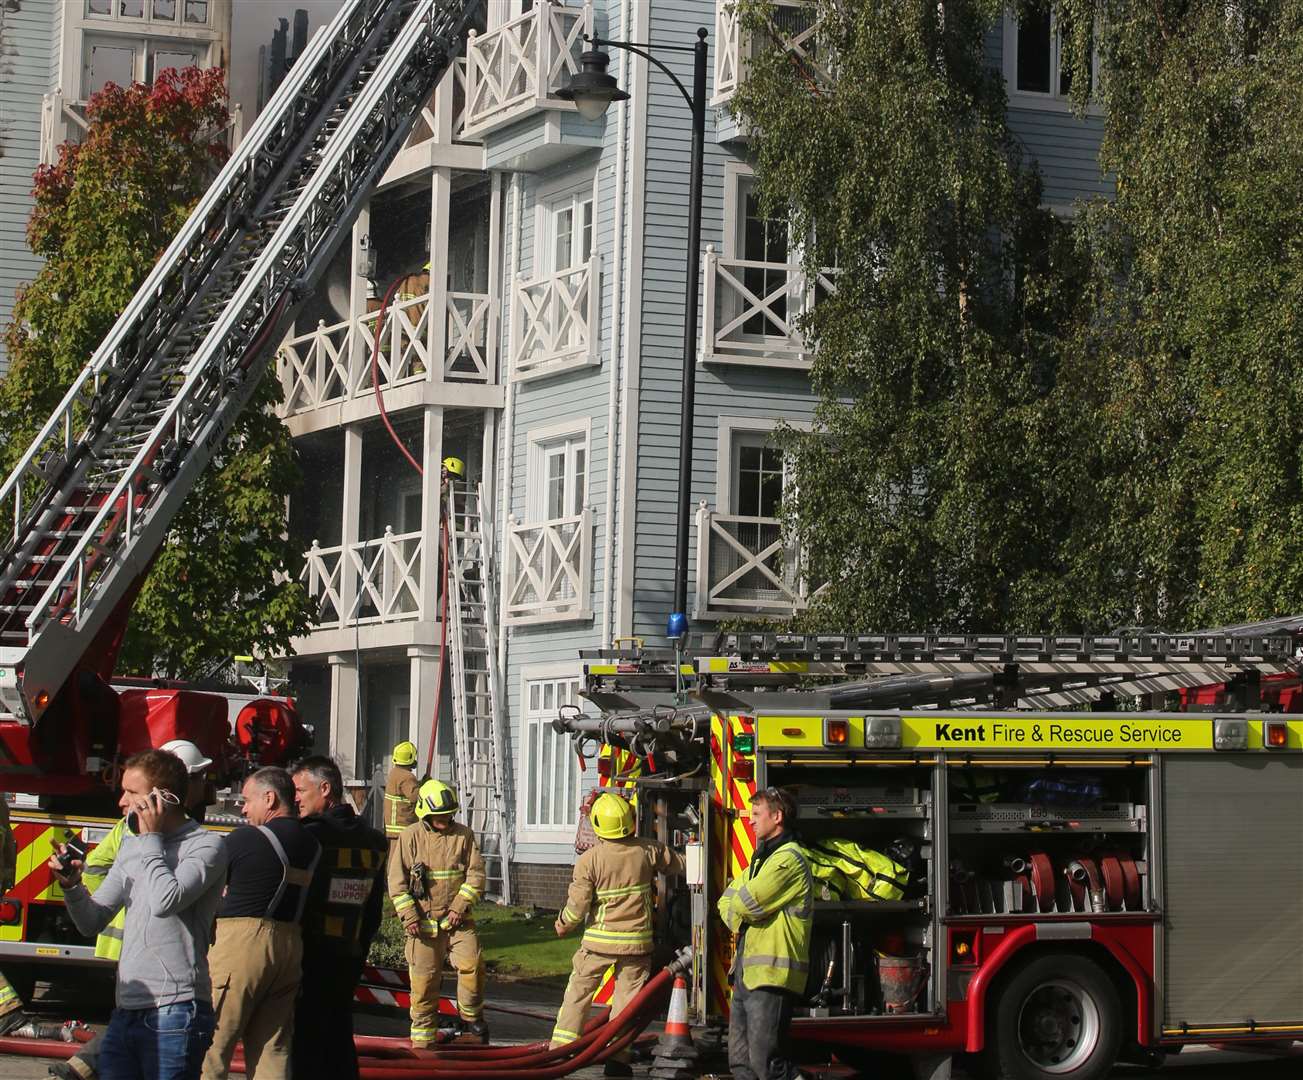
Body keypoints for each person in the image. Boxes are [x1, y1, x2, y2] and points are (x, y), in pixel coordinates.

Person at [48, 749, 228, 1080]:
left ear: (164, 798)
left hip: (177, 1009)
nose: (121, 802)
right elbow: (92, 921)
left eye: (131, 793)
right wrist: (72, 887)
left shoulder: (206, 846)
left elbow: (165, 901)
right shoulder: (132, 846)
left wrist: (152, 838)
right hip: (127, 1008)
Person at [551, 792, 684, 1079]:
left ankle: (560, 1052)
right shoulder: (648, 850)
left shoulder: (589, 861)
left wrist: (562, 924)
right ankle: (618, 1060)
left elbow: (577, 908)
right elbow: (678, 864)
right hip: (636, 944)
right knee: (625, 1005)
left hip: (598, 945)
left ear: (599, 824)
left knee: (578, 996)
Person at [202, 768, 321, 1080]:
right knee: (273, 1048)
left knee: (211, 1044)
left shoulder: (246, 839)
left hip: (241, 947)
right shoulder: (312, 845)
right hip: (290, 948)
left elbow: (206, 885)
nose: (242, 808)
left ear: (270, 798)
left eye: (247, 800)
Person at [289, 756, 387, 1080]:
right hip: (349, 958)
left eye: (301, 790)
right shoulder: (373, 842)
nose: (296, 799)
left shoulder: (310, 838)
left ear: (325, 788)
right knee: (339, 1043)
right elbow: (373, 912)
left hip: (310, 959)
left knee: (306, 1048)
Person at [717, 786, 813, 1080]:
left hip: (771, 976)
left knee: (766, 1064)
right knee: (740, 1063)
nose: (750, 820)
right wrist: (740, 907)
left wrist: (740, 908)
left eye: (757, 814)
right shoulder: (763, 860)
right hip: (748, 974)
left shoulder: (789, 860)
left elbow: (746, 903)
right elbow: (725, 901)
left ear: (778, 816)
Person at [387, 779, 487, 1047]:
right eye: (439, 816)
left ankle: (471, 1022)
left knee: (472, 966)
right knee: (423, 985)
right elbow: (396, 883)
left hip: (458, 922)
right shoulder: (410, 837)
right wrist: (409, 916)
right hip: (422, 926)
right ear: (425, 813)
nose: (445, 820)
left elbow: (475, 875)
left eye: (448, 815)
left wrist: (459, 908)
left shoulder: (464, 836)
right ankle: (423, 1043)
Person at [383, 741, 421, 845]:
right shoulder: (407, 777)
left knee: (394, 859)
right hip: (403, 827)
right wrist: (426, 786)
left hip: (393, 829)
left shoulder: (394, 773)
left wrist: (420, 783)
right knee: (403, 859)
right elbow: (416, 797)